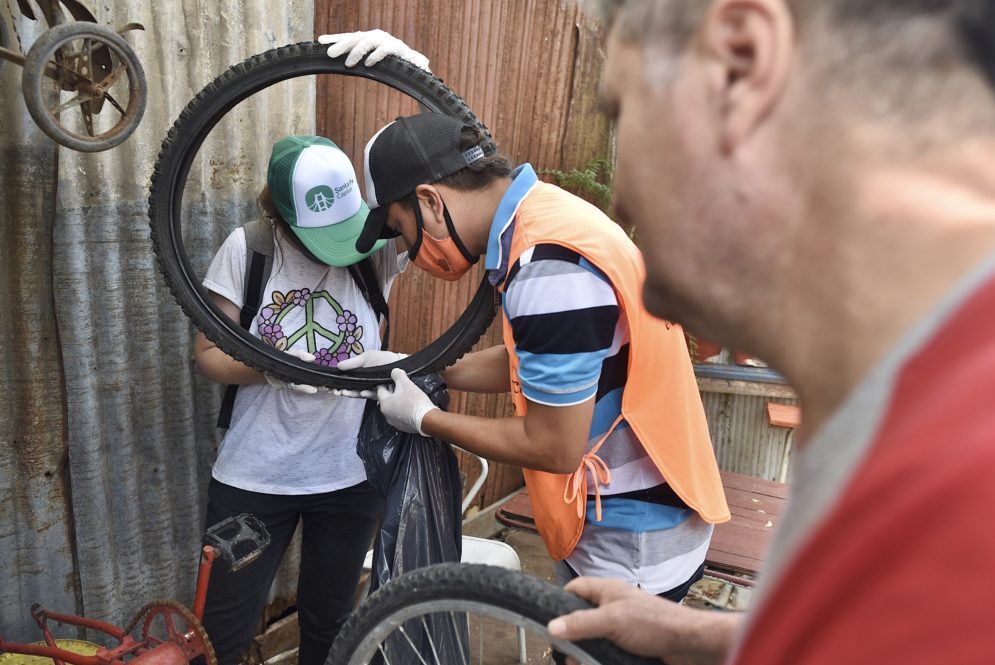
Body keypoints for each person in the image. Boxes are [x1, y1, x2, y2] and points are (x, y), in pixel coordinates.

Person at [544, 1, 995, 664]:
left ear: (737, 63)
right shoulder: (921, 410)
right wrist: (700, 633)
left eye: (618, 110)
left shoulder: (955, 508)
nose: (619, 203)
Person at [336, 111, 732, 614]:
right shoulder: (550, 218)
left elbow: (553, 444)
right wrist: (422, 368)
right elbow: (538, 359)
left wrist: (426, 419)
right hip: (643, 516)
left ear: (431, 201)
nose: (409, 251)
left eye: (400, 227)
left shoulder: (549, 265)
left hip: (632, 541)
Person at [193, 135, 407, 665]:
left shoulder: (373, 247)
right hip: (254, 478)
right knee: (219, 631)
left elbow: (449, 213)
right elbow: (208, 355)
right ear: (283, 215)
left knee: (332, 626)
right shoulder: (249, 249)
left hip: (349, 477)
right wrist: (273, 368)